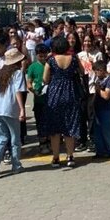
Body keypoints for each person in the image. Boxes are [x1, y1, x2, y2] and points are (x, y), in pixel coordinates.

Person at [0, 48, 27, 179]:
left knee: (0, 139)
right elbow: (18, 91)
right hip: (10, 109)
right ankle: (16, 165)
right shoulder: (18, 73)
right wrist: (22, 108)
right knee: (15, 139)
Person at [41, 37, 82, 168]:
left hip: (54, 94)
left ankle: (56, 157)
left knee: (55, 128)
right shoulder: (74, 58)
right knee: (69, 127)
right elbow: (82, 72)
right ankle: (70, 156)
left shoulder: (51, 60)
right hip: (71, 93)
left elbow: (45, 79)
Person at [90, 61, 110, 158]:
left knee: (106, 131)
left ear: (101, 70)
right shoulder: (98, 80)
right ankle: (100, 151)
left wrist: (98, 89)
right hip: (98, 108)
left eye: (96, 72)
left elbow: (106, 95)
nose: (96, 74)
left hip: (106, 109)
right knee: (98, 132)